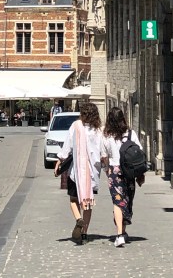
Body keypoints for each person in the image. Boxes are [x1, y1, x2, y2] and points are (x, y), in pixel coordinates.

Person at [55, 101, 103, 244]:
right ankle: (84, 234)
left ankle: (78, 219)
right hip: (92, 173)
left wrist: (60, 160)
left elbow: (67, 146)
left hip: (76, 172)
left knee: (73, 199)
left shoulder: (76, 126)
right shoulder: (98, 131)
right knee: (88, 203)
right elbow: (102, 150)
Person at [101, 106, 144, 248]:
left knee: (118, 202)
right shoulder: (131, 134)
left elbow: (104, 156)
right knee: (126, 201)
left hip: (115, 171)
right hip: (129, 172)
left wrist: (106, 170)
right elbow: (139, 153)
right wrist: (140, 174)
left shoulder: (106, 136)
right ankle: (121, 232)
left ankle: (120, 234)